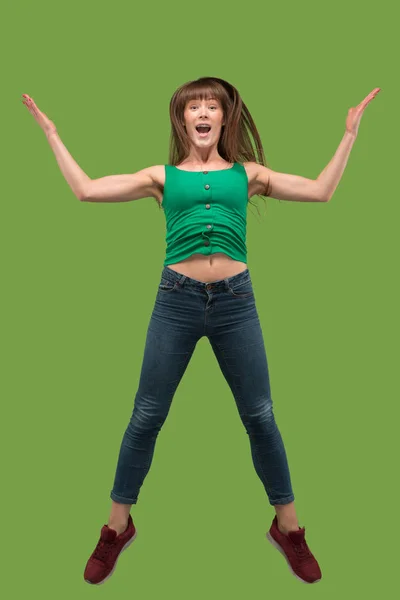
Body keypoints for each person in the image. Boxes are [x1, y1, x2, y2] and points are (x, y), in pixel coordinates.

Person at [22, 78, 380, 586]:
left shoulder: (248, 174)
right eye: (195, 106)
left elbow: (321, 191)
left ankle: (290, 530)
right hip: (177, 301)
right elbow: (86, 189)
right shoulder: (161, 176)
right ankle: (115, 529)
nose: (205, 112)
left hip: (236, 302)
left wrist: (349, 133)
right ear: (183, 119)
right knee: (147, 413)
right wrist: (53, 133)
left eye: (213, 105)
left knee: (260, 414)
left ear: (225, 118)